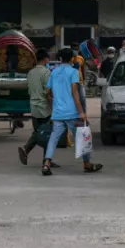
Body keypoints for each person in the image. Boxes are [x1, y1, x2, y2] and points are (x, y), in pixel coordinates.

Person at [42, 48, 102, 176]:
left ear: (60, 59)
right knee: (82, 137)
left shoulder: (54, 72)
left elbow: (47, 92)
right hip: (73, 113)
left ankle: (47, 164)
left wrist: (53, 104)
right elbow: (75, 93)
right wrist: (82, 112)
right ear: (71, 59)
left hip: (58, 113)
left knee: (53, 138)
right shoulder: (74, 72)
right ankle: (87, 164)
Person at [19, 50, 53, 166]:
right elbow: (48, 93)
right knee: (46, 133)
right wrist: (53, 107)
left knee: (39, 132)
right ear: (45, 59)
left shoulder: (31, 73)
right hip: (44, 108)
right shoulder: (46, 73)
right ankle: (44, 159)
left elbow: (29, 90)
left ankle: (45, 159)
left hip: (33, 107)